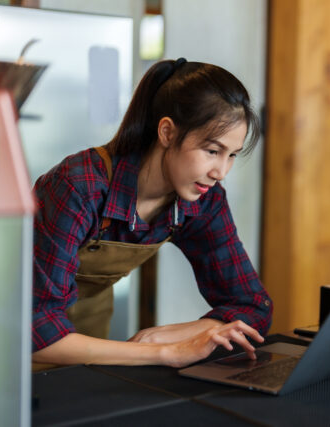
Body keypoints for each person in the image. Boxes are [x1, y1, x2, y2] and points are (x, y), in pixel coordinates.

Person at [31, 58, 272, 369]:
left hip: (85, 358)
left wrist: (169, 336)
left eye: (232, 155)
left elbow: (254, 305)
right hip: (9, 353)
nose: (221, 172)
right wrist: (169, 352)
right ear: (168, 133)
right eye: (212, 151)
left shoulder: (201, 199)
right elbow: (35, 331)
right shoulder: (80, 187)